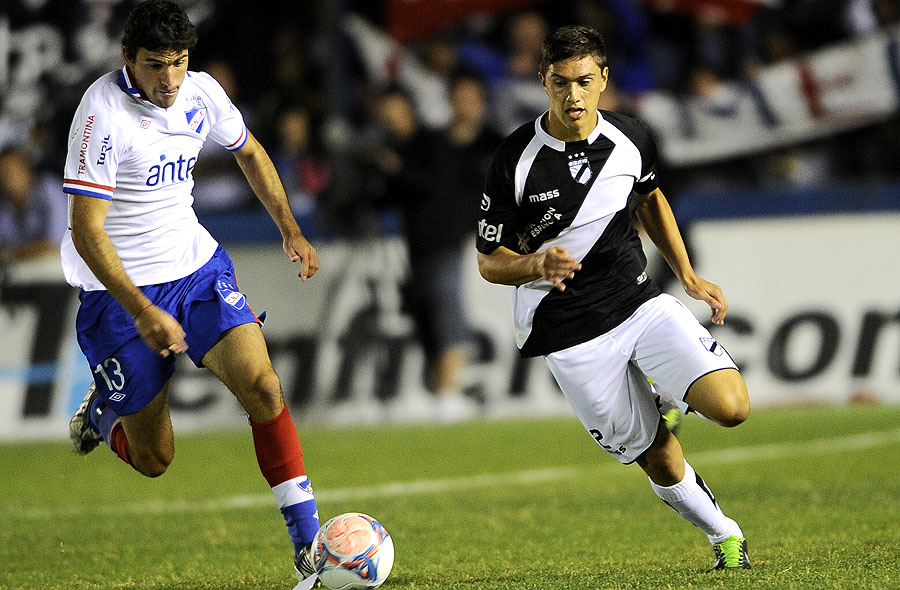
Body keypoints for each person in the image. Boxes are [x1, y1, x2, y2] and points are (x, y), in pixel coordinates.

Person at [61, 3, 321, 588]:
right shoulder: (101, 114)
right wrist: (143, 311)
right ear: (128, 59)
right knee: (156, 460)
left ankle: (311, 545)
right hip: (118, 296)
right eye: (156, 66)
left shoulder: (201, 93)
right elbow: (86, 229)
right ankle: (103, 413)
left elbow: (249, 151)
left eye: (179, 63)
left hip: (196, 272)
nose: (171, 80)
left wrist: (289, 227)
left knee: (263, 385)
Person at [475, 25, 752, 569]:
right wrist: (535, 262)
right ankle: (725, 536)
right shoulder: (515, 159)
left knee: (733, 408)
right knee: (659, 458)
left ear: (604, 79)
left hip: (637, 302)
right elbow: (488, 261)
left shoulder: (632, 137)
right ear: (543, 82)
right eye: (559, 83)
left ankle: (665, 397)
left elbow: (650, 198)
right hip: (567, 331)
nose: (572, 96)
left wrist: (688, 275)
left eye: (583, 82)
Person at [0, 146, 67, 263]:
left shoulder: (49, 191)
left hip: (61, 273)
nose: (8, 177)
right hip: (21, 272)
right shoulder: (5, 204)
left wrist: (12, 253)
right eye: (3, 171)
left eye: (12, 170)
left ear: (27, 170)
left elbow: (54, 247)